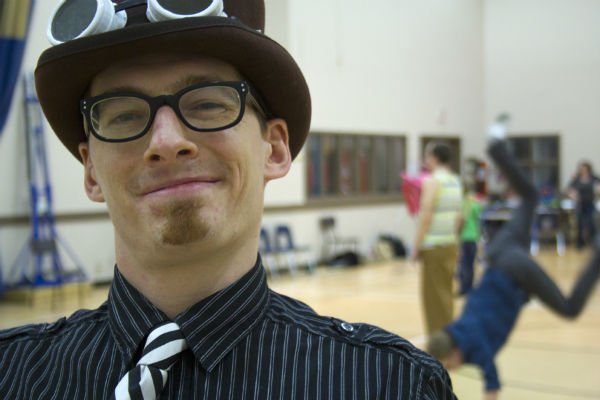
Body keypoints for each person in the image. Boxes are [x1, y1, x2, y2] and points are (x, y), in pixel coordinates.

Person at [0, 1, 457, 399]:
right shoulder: (11, 375)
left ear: (274, 149)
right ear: (90, 172)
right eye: (123, 115)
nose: (166, 141)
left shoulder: (390, 385)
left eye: (207, 104)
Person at [426, 115, 600, 400]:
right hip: (499, 251)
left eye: (449, 365)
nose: (452, 369)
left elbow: (492, 385)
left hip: (515, 270)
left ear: (453, 354)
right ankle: (496, 147)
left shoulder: (475, 348)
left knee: (570, 308)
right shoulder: (457, 328)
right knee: (530, 196)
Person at [410, 142, 462, 335]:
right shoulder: (455, 181)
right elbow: (459, 217)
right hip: (450, 244)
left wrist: (416, 247)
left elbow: (426, 215)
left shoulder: (432, 181)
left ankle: (438, 340)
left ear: (434, 158)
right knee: (445, 294)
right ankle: (448, 335)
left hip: (434, 246)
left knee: (433, 298)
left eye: (427, 156)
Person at [456, 182, 482, 295]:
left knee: (463, 263)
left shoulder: (462, 204)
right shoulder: (475, 204)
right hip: (473, 237)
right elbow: (478, 219)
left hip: (464, 238)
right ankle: (470, 288)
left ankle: (463, 288)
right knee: (471, 264)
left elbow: (461, 221)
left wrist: (457, 235)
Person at [567, 161, 600, 249]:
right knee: (580, 224)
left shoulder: (593, 178)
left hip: (590, 204)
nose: (583, 170)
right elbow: (570, 189)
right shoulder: (577, 179)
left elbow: (598, 187)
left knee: (591, 223)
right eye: (581, 168)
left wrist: (597, 189)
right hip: (580, 204)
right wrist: (573, 195)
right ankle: (580, 244)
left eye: (584, 168)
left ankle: (594, 244)